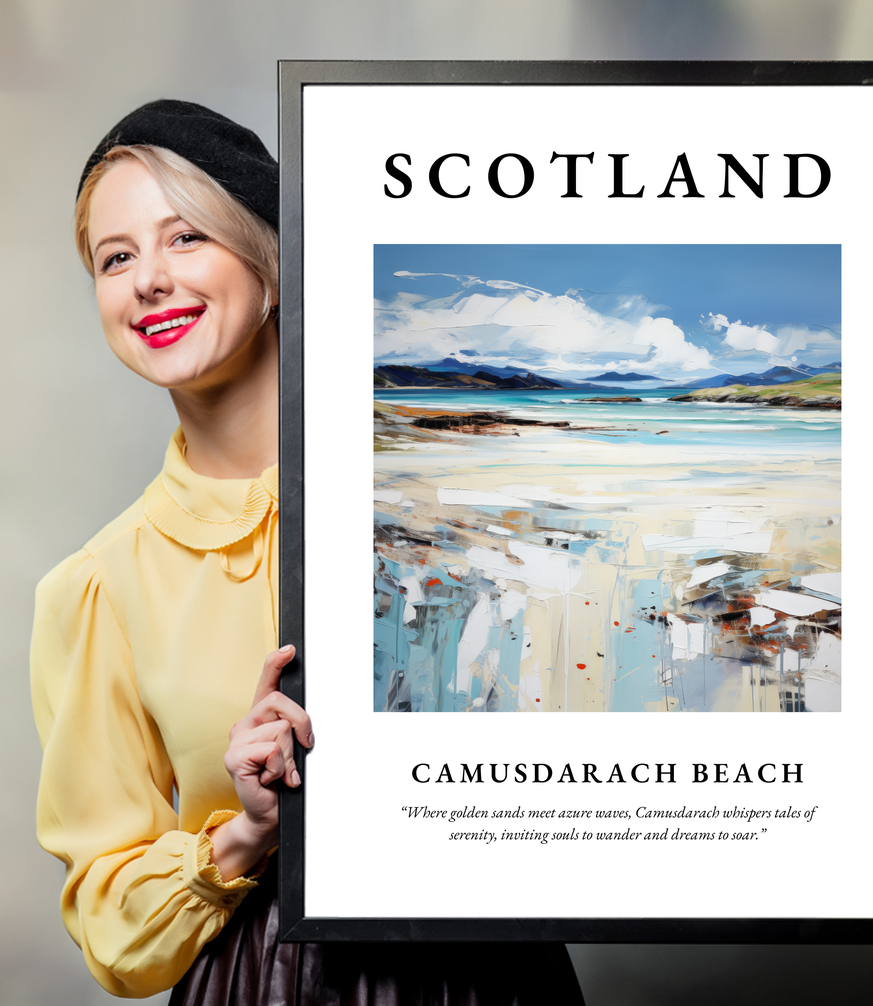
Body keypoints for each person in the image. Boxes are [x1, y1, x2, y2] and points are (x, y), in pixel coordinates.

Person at [30, 100, 586, 1004]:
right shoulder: (97, 587)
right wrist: (245, 832)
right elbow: (110, 923)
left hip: (492, 972)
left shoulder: (453, 499)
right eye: (116, 257)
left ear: (273, 263)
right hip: (262, 982)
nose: (148, 281)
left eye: (185, 238)